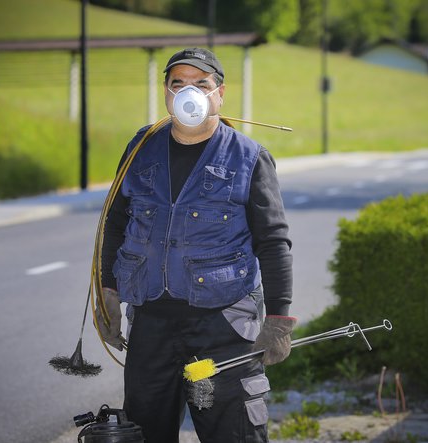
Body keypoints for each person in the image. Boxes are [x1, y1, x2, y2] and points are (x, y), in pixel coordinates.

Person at [98, 47, 295, 443]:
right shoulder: (141, 148)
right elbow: (115, 223)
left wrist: (278, 319)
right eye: (178, 84)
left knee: (233, 433)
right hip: (151, 326)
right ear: (167, 94)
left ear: (219, 94)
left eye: (201, 84)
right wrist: (107, 291)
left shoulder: (249, 157)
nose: (189, 93)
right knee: (146, 433)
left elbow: (273, 243)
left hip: (221, 330)